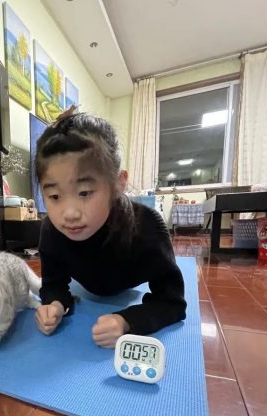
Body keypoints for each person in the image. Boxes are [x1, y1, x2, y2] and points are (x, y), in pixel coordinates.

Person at [34, 111, 186, 347]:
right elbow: (53, 283)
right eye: (54, 196)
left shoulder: (147, 228)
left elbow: (172, 302)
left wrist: (128, 321)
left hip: (125, 279)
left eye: (84, 192)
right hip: (89, 286)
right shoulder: (51, 231)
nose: (69, 213)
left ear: (118, 183)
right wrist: (55, 304)